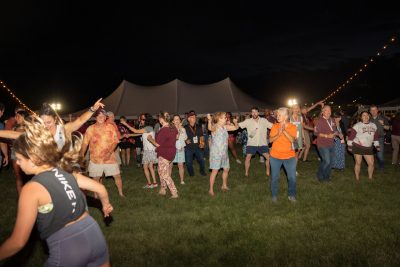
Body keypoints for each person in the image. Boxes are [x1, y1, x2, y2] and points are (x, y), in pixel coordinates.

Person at [0, 116, 113, 266]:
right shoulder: (67, 172)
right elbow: (100, 188)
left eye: (20, 159)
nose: (18, 163)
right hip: (94, 235)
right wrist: (105, 206)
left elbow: (18, 241)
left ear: (33, 158)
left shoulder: (32, 189)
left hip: (68, 248)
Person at [81, 109, 124, 197]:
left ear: (105, 118)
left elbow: (115, 141)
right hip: (95, 159)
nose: (101, 117)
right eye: (99, 116)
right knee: (96, 178)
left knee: (117, 175)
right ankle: (96, 196)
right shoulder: (90, 129)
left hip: (110, 158)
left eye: (103, 116)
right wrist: (81, 155)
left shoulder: (110, 127)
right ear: (95, 117)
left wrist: (109, 152)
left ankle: (121, 193)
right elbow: (85, 143)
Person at [39, 99, 105, 150]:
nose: (46, 125)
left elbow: (80, 120)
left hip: (67, 166)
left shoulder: (64, 129)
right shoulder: (40, 133)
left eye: (49, 122)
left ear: (55, 119)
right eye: (43, 122)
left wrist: (92, 109)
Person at [207, 112, 239, 196]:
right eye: (224, 117)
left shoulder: (225, 127)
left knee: (226, 169)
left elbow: (236, 128)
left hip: (224, 153)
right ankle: (210, 189)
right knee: (215, 171)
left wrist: (235, 122)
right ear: (219, 119)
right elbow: (210, 128)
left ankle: (224, 185)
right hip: (216, 153)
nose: (226, 118)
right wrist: (209, 120)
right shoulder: (215, 127)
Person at [238, 107, 273, 177]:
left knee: (268, 158)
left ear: (258, 113)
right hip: (251, 143)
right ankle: (246, 173)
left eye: (255, 112)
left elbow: (272, 126)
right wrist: (235, 122)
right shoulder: (248, 121)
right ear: (251, 113)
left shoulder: (264, 120)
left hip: (262, 143)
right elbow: (238, 126)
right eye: (252, 112)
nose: (254, 113)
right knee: (248, 157)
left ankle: (268, 171)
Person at [347, 111, 380, 180]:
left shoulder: (373, 125)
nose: (365, 117)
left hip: (368, 147)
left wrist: (377, 145)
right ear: (361, 117)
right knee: (358, 162)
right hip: (358, 146)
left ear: (369, 116)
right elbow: (351, 137)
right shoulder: (357, 125)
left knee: (371, 164)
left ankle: (370, 177)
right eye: (363, 115)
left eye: (367, 115)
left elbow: (376, 137)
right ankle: (357, 178)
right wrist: (349, 146)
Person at [153, 111, 179, 198]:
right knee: (161, 171)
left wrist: (149, 138)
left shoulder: (164, 130)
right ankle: (163, 189)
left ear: (161, 119)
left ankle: (174, 192)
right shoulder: (173, 127)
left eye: (159, 118)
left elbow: (157, 144)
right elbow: (177, 137)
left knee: (164, 174)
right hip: (171, 152)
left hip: (165, 153)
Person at [314, 105, 342, 182]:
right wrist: (326, 135)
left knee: (330, 162)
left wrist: (337, 133)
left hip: (331, 144)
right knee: (327, 161)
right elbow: (315, 133)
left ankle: (326, 177)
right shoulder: (319, 121)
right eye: (326, 110)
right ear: (323, 112)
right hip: (322, 144)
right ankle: (319, 175)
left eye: (330, 110)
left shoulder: (332, 120)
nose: (329, 111)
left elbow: (335, 130)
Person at [184, 110, 206, 177]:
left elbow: (201, 136)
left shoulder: (199, 126)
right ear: (189, 119)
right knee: (188, 162)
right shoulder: (185, 128)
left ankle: (202, 171)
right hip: (189, 148)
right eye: (192, 117)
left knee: (202, 160)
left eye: (194, 117)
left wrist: (202, 143)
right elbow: (182, 137)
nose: (194, 118)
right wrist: (185, 140)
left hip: (198, 147)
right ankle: (191, 173)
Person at [369, 105, 390, 170]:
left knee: (379, 155)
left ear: (377, 110)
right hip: (370, 139)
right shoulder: (369, 119)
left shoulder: (382, 118)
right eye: (372, 110)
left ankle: (381, 166)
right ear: (370, 111)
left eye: (375, 110)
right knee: (369, 154)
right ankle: (370, 166)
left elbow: (388, 128)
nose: (373, 111)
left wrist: (383, 124)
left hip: (379, 139)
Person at [170, 115, 187, 185]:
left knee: (180, 165)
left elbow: (185, 137)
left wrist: (180, 130)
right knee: (170, 165)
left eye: (178, 119)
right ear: (173, 121)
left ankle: (182, 180)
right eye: (175, 119)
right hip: (172, 149)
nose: (177, 121)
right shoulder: (170, 129)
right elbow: (174, 138)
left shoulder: (183, 129)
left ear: (180, 120)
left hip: (180, 149)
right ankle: (169, 180)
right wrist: (178, 131)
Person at [0, 103, 9, 170]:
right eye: (2, 111)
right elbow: (2, 143)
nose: (2, 114)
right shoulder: (0, 125)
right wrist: (6, 155)